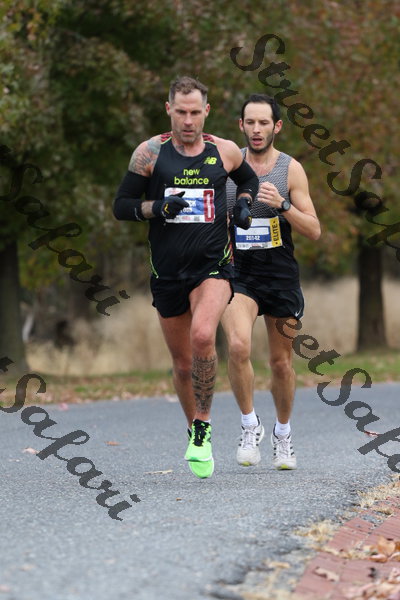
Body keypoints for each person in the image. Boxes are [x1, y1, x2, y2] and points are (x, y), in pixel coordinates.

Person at [113, 77, 258, 479]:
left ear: (206, 111)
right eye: (181, 112)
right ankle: (196, 430)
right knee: (181, 366)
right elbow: (122, 205)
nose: (188, 120)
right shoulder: (150, 153)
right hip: (167, 272)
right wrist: (157, 207)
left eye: (195, 112)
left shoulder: (224, 150)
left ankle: (205, 422)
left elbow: (248, 180)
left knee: (203, 336)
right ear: (169, 110)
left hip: (213, 266)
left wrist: (244, 204)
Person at [221, 94, 321, 470]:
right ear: (241, 125)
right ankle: (250, 425)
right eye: (250, 122)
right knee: (237, 347)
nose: (257, 129)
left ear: (277, 126)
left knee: (280, 363)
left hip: (279, 274)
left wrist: (283, 204)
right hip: (239, 275)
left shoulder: (290, 169)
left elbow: (314, 230)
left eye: (264, 122)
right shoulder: (228, 167)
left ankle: (282, 433)